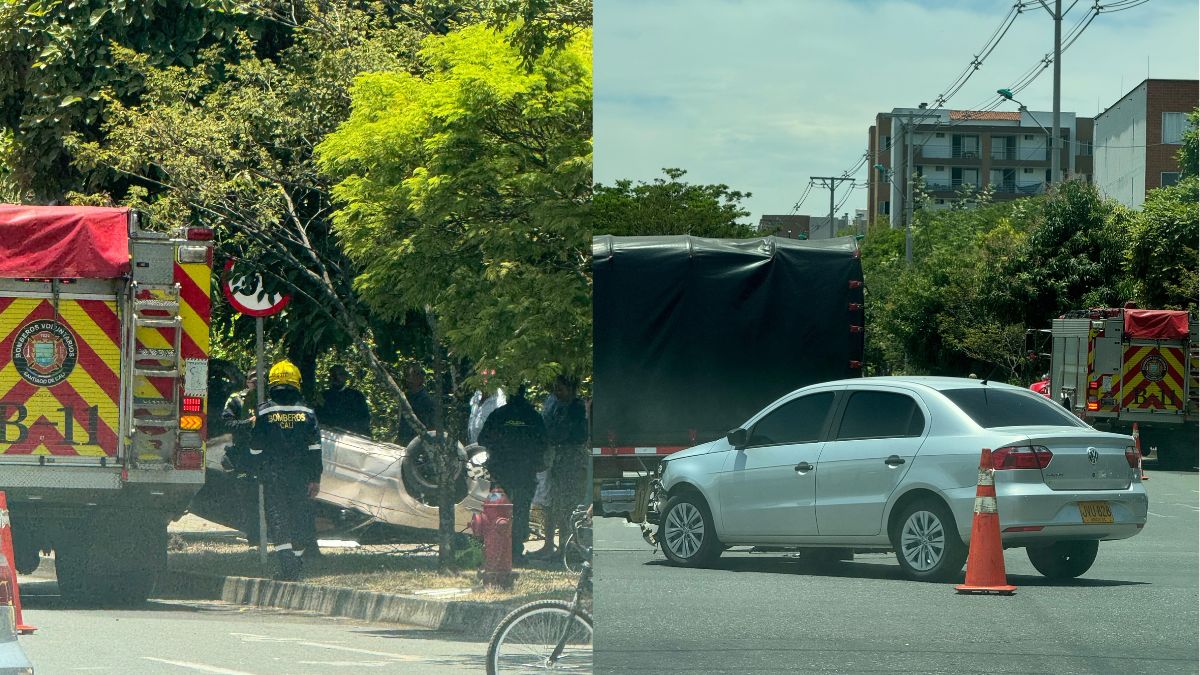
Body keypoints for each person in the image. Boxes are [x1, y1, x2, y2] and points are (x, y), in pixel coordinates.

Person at [250, 359, 323, 581]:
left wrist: (258, 469)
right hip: (300, 475)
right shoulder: (307, 412)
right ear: (296, 382)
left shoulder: (264, 412)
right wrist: (315, 478)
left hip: (273, 475)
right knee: (299, 516)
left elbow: (255, 447)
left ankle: (287, 564)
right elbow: (315, 448)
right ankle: (296, 561)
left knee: (277, 517)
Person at [478, 384, 547, 565]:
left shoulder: (498, 415)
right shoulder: (534, 416)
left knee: (499, 511)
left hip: (501, 472)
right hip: (525, 472)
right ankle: (516, 551)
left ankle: (499, 552)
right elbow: (544, 443)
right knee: (521, 512)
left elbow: (482, 439)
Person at [531, 375, 589, 560]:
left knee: (569, 506)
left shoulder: (576, 407)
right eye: (555, 388)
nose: (557, 392)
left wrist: (548, 435)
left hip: (572, 460)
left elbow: (562, 433)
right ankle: (555, 546)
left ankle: (568, 547)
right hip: (558, 461)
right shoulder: (555, 404)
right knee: (555, 504)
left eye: (561, 388)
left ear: (571, 389)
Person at [221, 369, 258, 474]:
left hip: (265, 451)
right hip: (243, 450)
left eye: (260, 379)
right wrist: (248, 423)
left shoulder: (271, 401)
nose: (256, 382)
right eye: (253, 379)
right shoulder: (236, 399)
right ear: (247, 382)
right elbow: (227, 424)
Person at [316, 365, 371, 435]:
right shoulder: (323, 396)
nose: (336, 378)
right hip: (328, 436)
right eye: (333, 375)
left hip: (352, 439)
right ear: (329, 378)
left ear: (346, 377)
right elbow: (318, 419)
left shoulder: (356, 396)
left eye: (340, 374)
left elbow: (364, 420)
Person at [398, 364, 436, 445]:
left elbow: (431, 425)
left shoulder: (426, 400)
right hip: (404, 440)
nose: (408, 380)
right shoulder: (407, 397)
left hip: (418, 443)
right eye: (414, 374)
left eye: (420, 373)